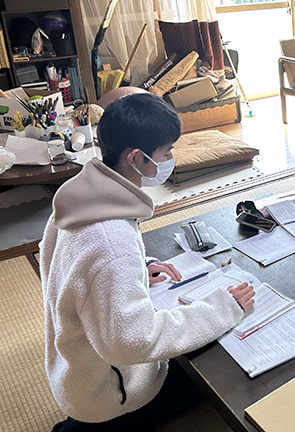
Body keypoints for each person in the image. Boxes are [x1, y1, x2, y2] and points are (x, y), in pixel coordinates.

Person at [40, 93, 256, 431]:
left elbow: (73, 268)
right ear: (136, 158)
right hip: (110, 392)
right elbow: (131, 342)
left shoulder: (78, 198)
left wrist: (137, 270)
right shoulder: (112, 242)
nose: (170, 159)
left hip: (74, 368)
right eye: (166, 152)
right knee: (222, 370)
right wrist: (223, 308)